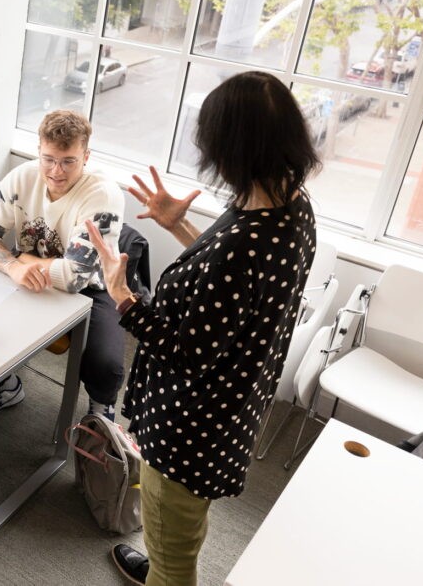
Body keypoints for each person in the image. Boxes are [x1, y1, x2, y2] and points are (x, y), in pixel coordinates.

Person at [86, 72, 319, 586]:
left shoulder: (246, 242)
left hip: (191, 421)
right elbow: (234, 296)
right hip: (230, 407)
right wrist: (178, 227)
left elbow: (187, 352)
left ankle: (167, 570)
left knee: (174, 541)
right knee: (181, 519)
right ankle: (165, 555)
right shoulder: (289, 204)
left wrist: (122, 295)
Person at [0, 110, 125, 423]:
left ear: (86, 156)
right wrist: (13, 266)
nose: (56, 171)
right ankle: (5, 385)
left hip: (94, 287)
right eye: (48, 159)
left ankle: (100, 409)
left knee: (105, 364)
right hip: (26, 275)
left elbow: (74, 277)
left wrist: (24, 259)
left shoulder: (103, 195)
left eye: (69, 161)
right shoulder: (22, 177)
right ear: (38, 151)